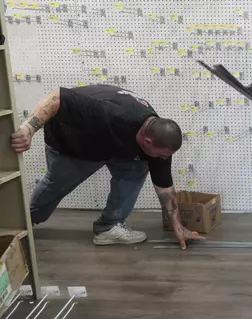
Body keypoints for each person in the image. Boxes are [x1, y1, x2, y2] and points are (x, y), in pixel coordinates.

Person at [11, 84, 205, 250]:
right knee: (57, 186)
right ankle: (18, 223)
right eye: (161, 154)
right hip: (73, 142)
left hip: (110, 144)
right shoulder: (113, 115)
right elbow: (57, 97)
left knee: (136, 169)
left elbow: (165, 187)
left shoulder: (159, 139)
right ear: (147, 141)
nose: (163, 159)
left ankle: (108, 228)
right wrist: (29, 128)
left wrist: (178, 226)